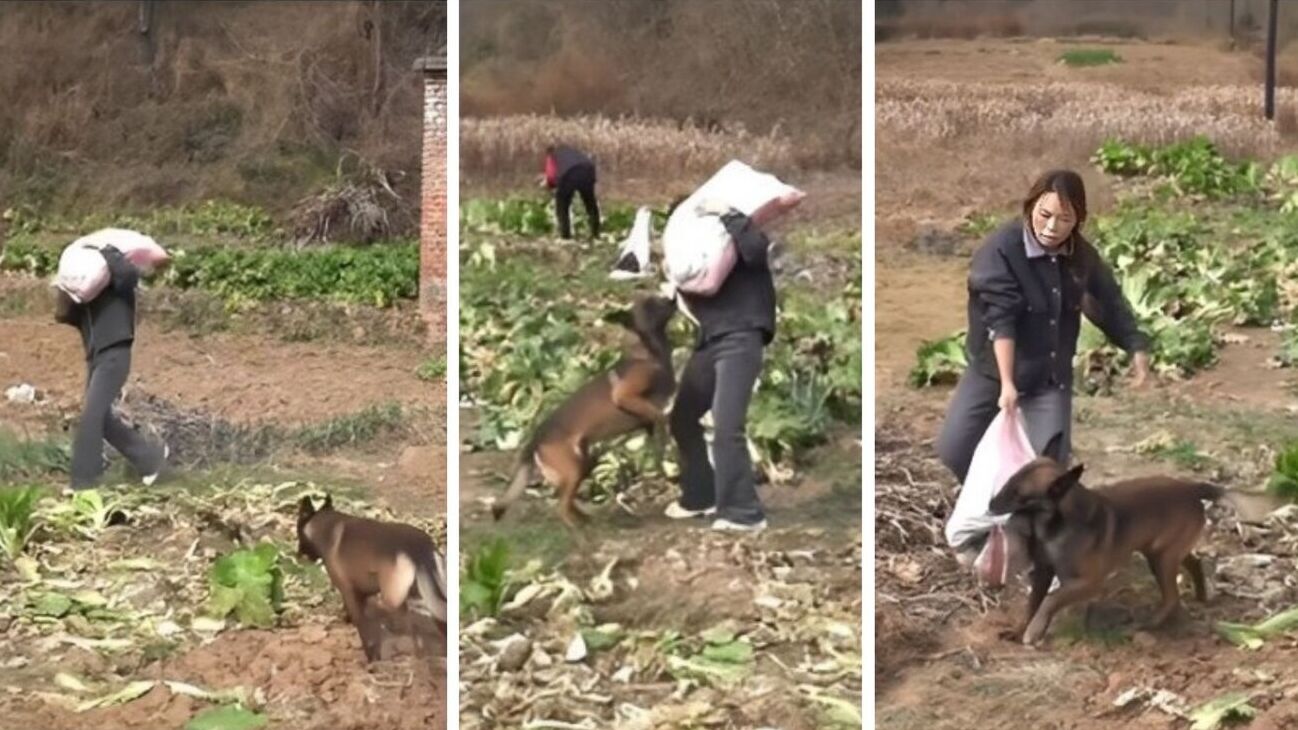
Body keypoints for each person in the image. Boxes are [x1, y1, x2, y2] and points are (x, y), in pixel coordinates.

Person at [936, 169, 1150, 502]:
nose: (1052, 228)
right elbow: (1001, 321)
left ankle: (1034, 530)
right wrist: (1007, 383)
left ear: (1079, 219)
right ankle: (991, 500)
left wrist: (1135, 344)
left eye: (1065, 219)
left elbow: (1106, 300)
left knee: (1050, 474)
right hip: (993, 372)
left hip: (1049, 376)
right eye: (1045, 215)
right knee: (953, 450)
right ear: (1030, 207)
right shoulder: (1000, 251)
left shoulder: (1080, 255)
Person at [665, 199, 777, 532]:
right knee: (683, 417)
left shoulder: (738, 240)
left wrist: (729, 215)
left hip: (741, 337)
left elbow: (758, 249)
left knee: (728, 427)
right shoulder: (697, 257)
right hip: (711, 340)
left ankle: (745, 512)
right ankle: (701, 495)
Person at [54, 245, 168, 490]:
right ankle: (151, 459)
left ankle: (83, 484)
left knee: (91, 417)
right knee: (101, 419)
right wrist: (66, 285)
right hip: (96, 359)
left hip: (115, 354)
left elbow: (128, 276)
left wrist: (109, 255)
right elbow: (63, 314)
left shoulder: (119, 287)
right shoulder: (87, 296)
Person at [541, 144, 600, 240]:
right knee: (590, 204)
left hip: (569, 174)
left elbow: (551, 176)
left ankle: (565, 235)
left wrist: (549, 185)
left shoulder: (552, 156)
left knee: (562, 205)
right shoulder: (573, 151)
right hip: (588, 170)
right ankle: (595, 233)